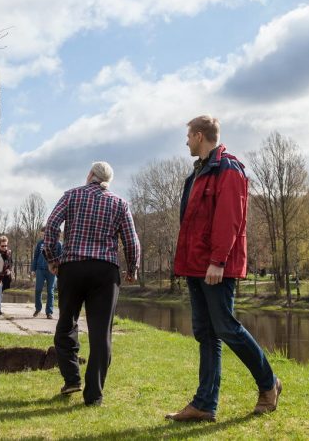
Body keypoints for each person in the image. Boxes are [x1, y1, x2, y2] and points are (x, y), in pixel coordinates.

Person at [166, 115, 280, 422]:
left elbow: (230, 219)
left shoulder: (228, 168)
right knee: (205, 333)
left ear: (200, 136)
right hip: (195, 266)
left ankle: (269, 384)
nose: (186, 141)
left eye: (188, 136)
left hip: (216, 266)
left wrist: (217, 261)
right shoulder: (199, 172)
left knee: (226, 327)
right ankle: (204, 404)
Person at [44, 161, 140, 407]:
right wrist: (132, 268)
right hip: (105, 271)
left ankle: (72, 378)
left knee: (67, 323)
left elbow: (52, 225)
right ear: (108, 181)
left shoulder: (72, 195)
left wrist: (53, 258)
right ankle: (94, 395)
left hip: (73, 267)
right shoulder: (119, 203)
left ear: (90, 176)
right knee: (101, 334)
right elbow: (131, 240)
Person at [31, 231, 62, 319]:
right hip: (40, 269)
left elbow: (60, 257)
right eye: (42, 234)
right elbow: (36, 256)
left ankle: (49, 312)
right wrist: (33, 269)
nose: (43, 235)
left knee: (50, 291)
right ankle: (38, 308)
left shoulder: (58, 244)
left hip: (51, 271)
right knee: (38, 289)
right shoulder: (40, 243)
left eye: (45, 233)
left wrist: (57, 269)